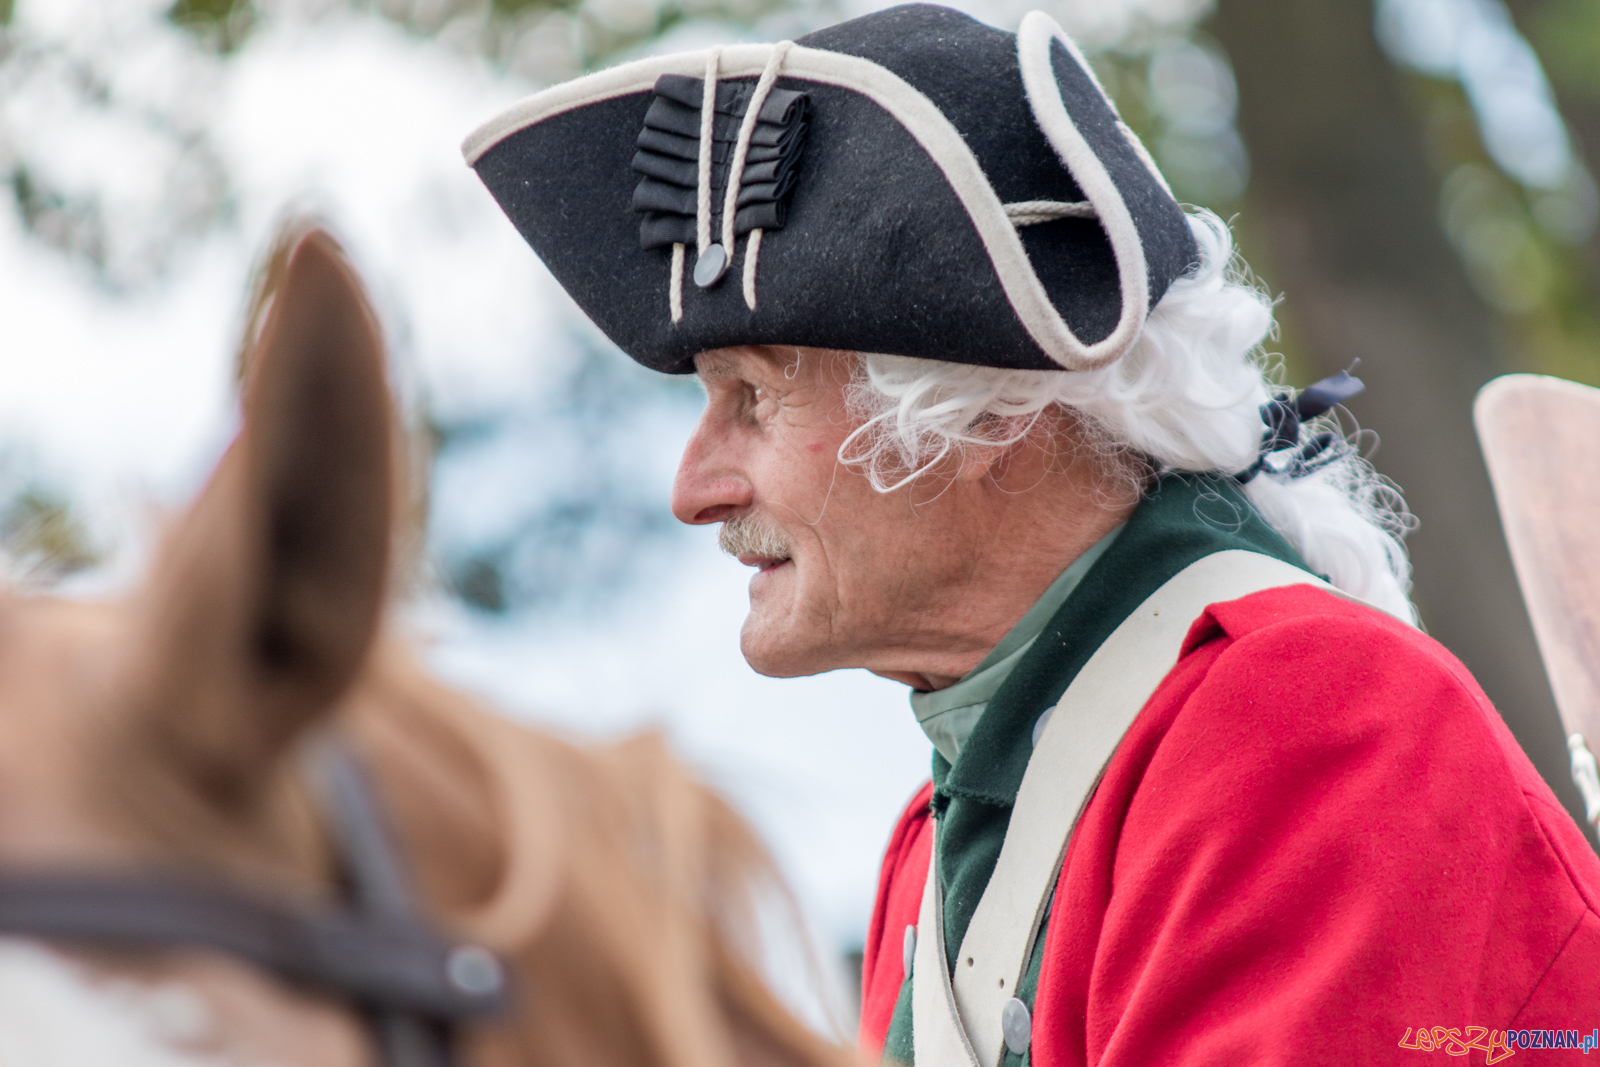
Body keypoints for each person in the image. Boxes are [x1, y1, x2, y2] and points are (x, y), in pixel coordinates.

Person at [463, 4, 1600, 1060]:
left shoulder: (1311, 716)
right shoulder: (938, 840)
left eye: (754, 398)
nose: (694, 487)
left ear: (991, 411)